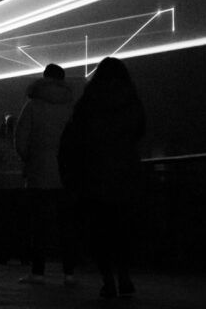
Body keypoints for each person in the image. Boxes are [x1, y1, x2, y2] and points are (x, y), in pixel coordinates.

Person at [59, 57, 145, 299]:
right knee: (123, 228)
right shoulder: (131, 100)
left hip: (95, 174)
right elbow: (140, 129)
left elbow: (74, 138)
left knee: (100, 230)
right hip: (125, 173)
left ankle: (108, 281)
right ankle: (125, 276)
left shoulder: (88, 102)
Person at [16, 63, 77, 285]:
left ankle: (38, 272)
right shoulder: (71, 106)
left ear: (44, 78)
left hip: (39, 171)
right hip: (67, 173)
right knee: (67, 226)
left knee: (38, 225)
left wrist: (30, 159)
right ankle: (69, 273)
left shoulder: (32, 105)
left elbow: (21, 139)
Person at [0, 115, 26, 265]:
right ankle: (22, 255)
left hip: (3, 186)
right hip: (21, 186)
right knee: (20, 222)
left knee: (3, 221)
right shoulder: (23, 143)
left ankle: (3, 253)